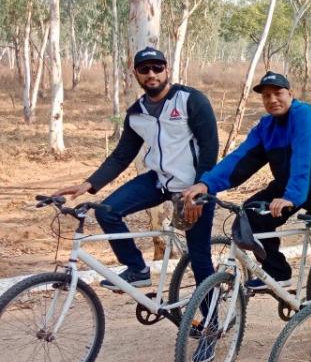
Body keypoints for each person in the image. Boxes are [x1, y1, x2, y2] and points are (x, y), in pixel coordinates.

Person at [53, 46, 218, 292]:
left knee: (199, 258)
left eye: (157, 68)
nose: (151, 74)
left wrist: (200, 190)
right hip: (158, 181)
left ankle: (211, 324)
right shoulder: (136, 113)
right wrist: (89, 183)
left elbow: (210, 148)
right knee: (107, 211)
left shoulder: (191, 100)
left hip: (193, 186)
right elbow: (121, 156)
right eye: (144, 69)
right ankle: (137, 269)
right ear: (136, 74)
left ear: (166, 70)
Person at [183, 71, 311, 303]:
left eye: (278, 93)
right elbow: (239, 160)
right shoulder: (266, 127)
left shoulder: (303, 114)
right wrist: (206, 183)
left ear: (290, 94)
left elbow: (303, 158)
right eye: (266, 96)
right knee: (250, 214)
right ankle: (278, 272)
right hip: (289, 187)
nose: (272, 99)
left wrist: (291, 197)